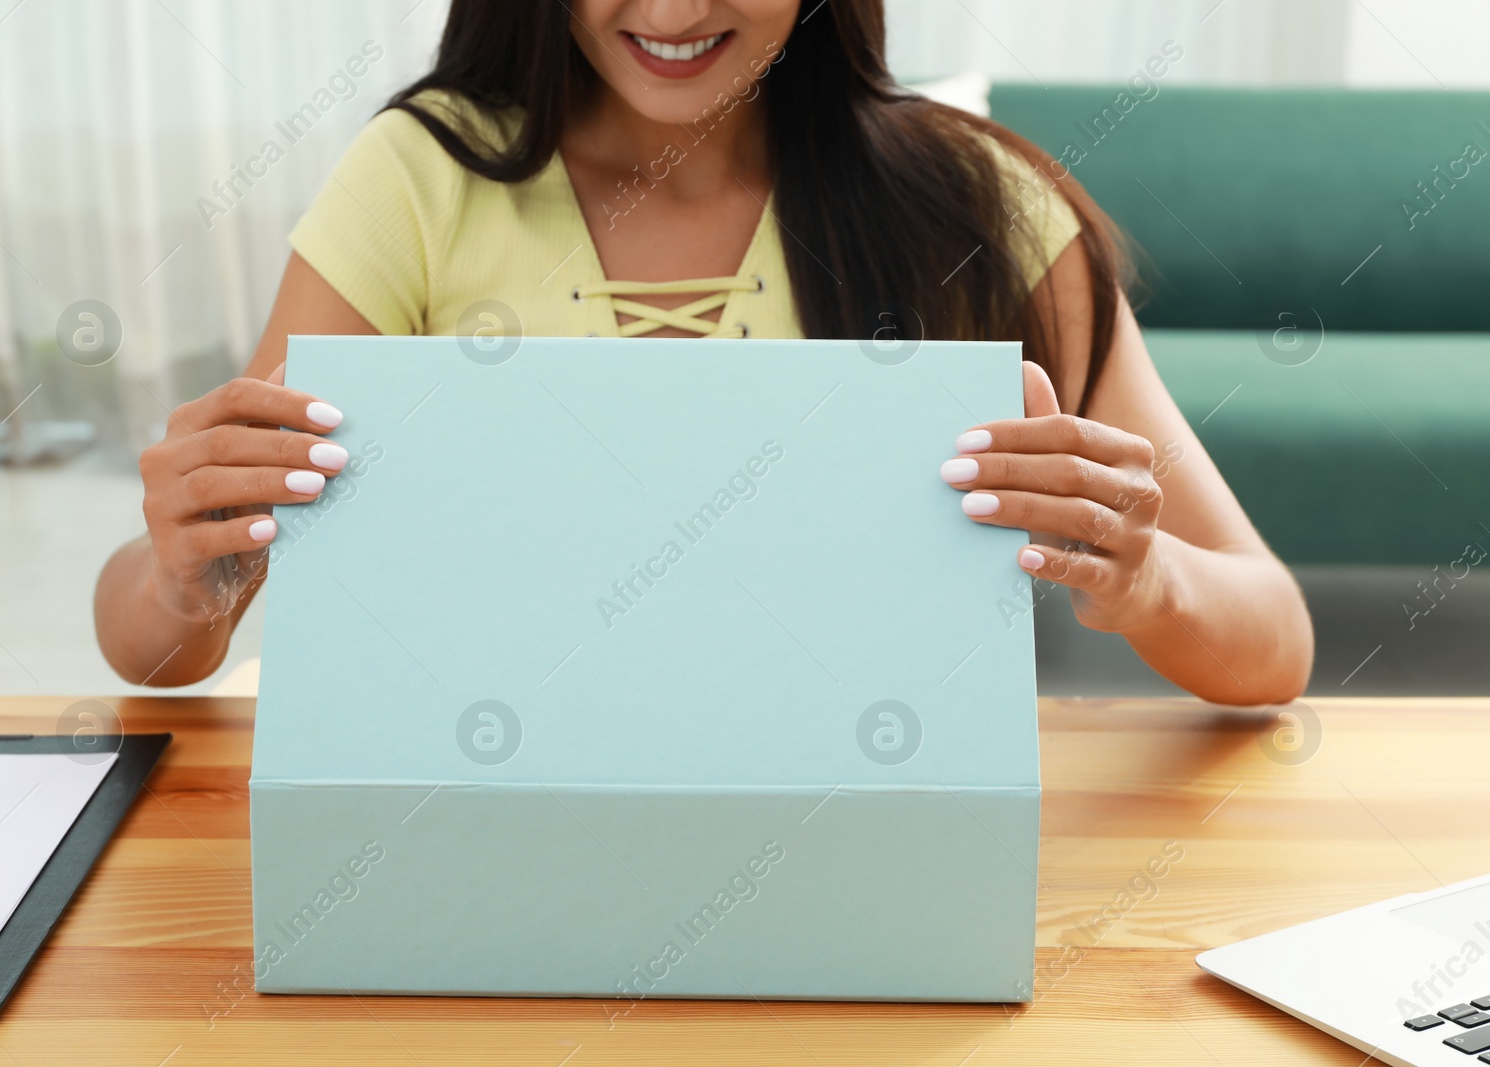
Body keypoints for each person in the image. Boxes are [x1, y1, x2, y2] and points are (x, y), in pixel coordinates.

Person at [95, 0, 1313, 704]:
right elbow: (156, 653)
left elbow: (1276, 642)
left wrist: (1143, 582)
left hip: (870, 858)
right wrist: (179, 576)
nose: (672, 10)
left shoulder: (977, 209)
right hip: (485, 839)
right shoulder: (422, 181)